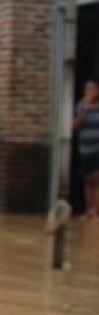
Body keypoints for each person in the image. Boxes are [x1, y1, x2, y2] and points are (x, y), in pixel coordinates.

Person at [74, 79, 99, 220]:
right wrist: (85, 111)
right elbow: (75, 126)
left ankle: (96, 211)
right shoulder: (81, 106)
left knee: (97, 178)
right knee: (88, 179)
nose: (90, 92)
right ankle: (89, 209)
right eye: (87, 89)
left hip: (97, 148)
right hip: (85, 148)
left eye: (92, 89)